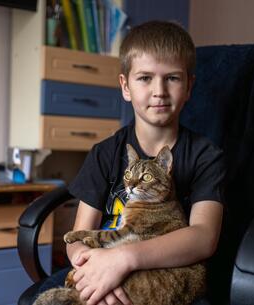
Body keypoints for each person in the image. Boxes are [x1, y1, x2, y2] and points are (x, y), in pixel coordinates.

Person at [35, 20, 225, 305]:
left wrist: (123, 260)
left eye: (172, 78)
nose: (159, 90)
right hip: (101, 270)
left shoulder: (206, 157)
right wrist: (95, 272)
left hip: (165, 279)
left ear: (189, 86)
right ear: (125, 86)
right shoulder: (105, 153)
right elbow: (76, 238)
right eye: (145, 78)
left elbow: (203, 238)